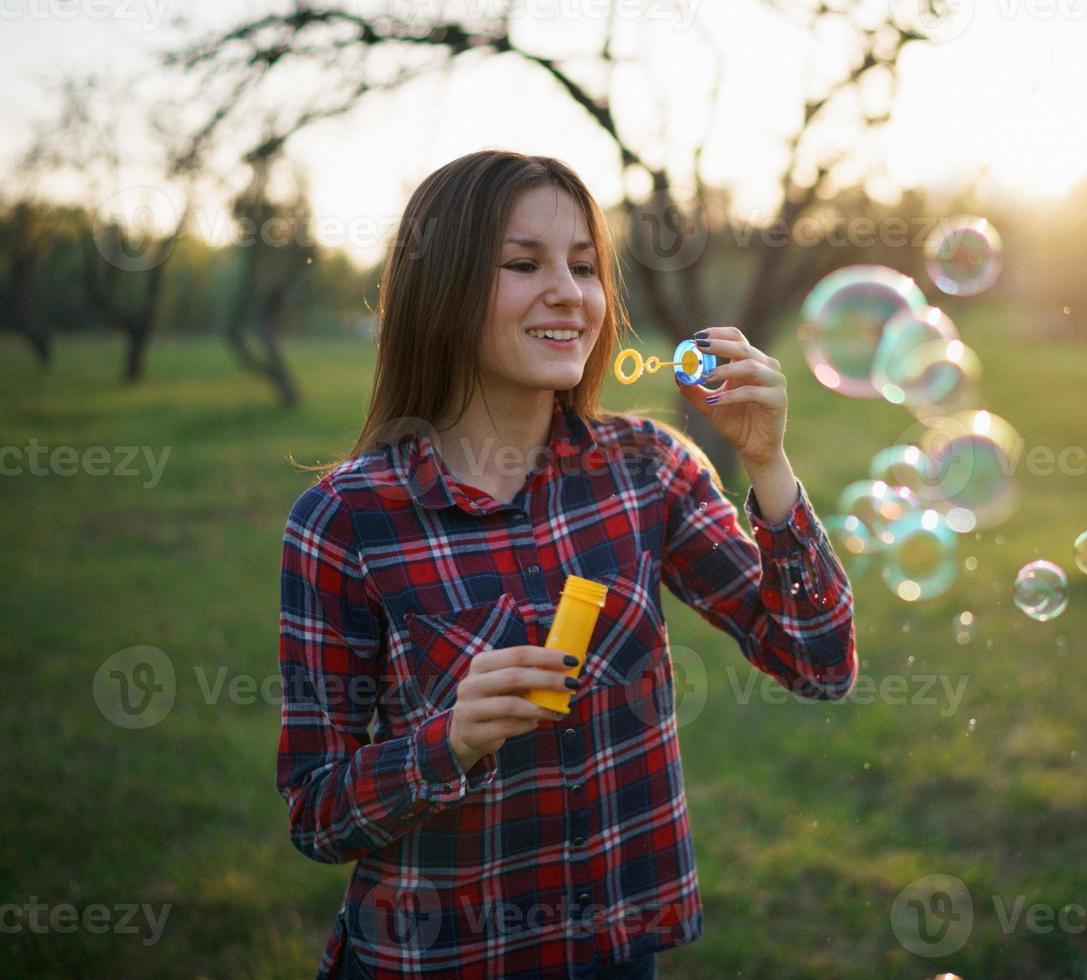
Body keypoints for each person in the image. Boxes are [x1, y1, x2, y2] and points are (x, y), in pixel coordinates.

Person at [275, 149, 858, 979]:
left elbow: (819, 662)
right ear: (440, 288)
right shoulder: (346, 521)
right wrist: (446, 743)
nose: (568, 292)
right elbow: (317, 811)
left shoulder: (646, 470)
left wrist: (769, 468)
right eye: (523, 264)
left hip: (617, 954)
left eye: (584, 267)